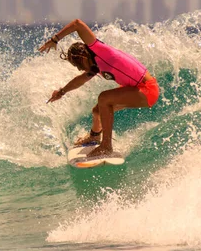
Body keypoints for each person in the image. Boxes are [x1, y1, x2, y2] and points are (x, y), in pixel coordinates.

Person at [38, 19, 160, 157]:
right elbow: (80, 80)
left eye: (78, 64)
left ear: (83, 56)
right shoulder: (95, 65)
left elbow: (77, 24)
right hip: (137, 89)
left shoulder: (99, 50)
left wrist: (55, 39)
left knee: (104, 98)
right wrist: (62, 92)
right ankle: (95, 136)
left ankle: (106, 146)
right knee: (97, 111)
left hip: (147, 89)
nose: (79, 68)